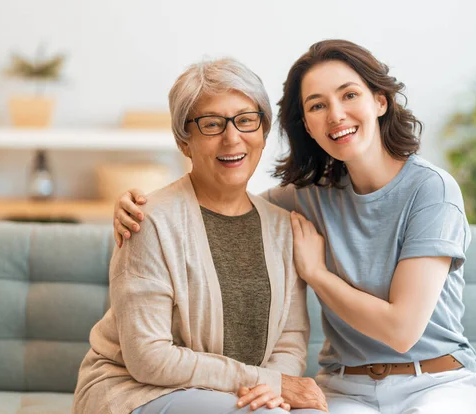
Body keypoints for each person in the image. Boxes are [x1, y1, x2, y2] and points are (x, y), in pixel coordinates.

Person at [112, 40, 476, 413]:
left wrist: (317, 273)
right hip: (349, 388)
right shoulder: (303, 200)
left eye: (349, 95)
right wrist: (134, 205)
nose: (336, 115)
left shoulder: (432, 190)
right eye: (317, 105)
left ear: (380, 101)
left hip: (435, 382)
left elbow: (401, 330)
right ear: (308, 126)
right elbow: (223, 203)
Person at [72, 58, 328, 414]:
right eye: (211, 124)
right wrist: (265, 384)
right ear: (183, 140)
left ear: (263, 130)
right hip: (137, 392)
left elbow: (290, 341)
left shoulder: (284, 227)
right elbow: (149, 357)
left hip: (234, 396)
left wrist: (272, 390)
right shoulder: (148, 221)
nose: (232, 137)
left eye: (246, 120)